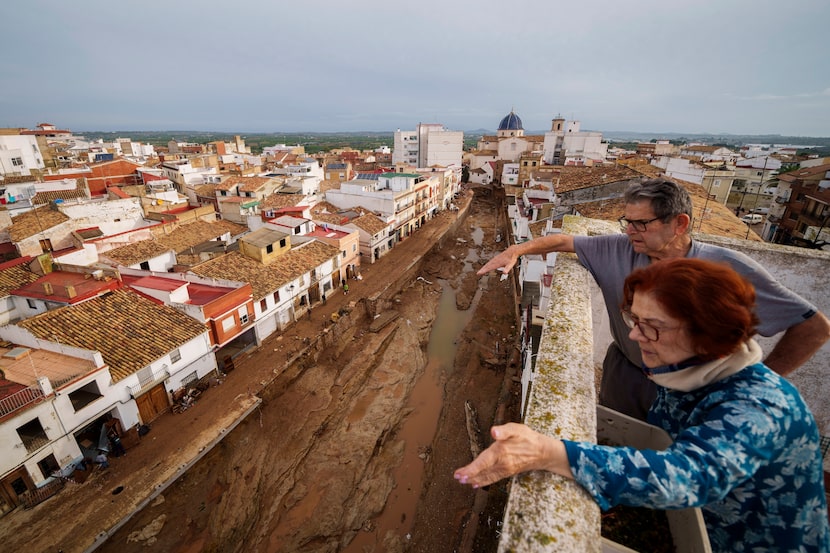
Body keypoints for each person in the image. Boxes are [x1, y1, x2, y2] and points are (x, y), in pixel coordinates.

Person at [456, 258, 830, 552]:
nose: (635, 335)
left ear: (708, 334)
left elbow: (686, 477)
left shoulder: (762, 407)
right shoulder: (685, 370)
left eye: (652, 326)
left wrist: (548, 452)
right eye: (634, 319)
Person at [478, 177, 830, 420]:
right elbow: (562, 242)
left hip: (697, 393)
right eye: (626, 221)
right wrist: (516, 251)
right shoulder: (619, 248)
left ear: (679, 223)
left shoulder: (726, 269)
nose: (629, 231)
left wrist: (760, 382)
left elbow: (814, 327)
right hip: (627, 377)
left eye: (641, 223)